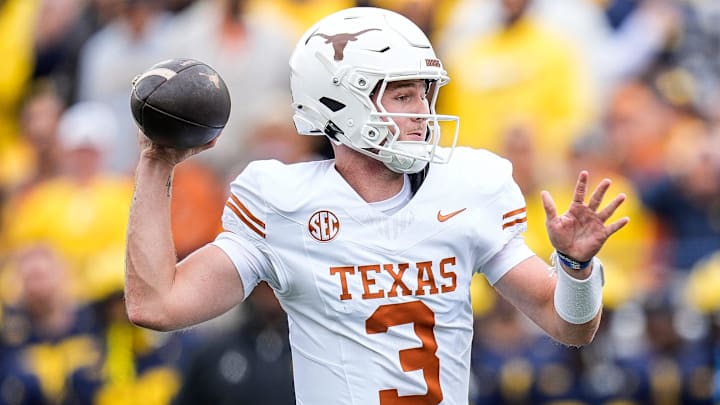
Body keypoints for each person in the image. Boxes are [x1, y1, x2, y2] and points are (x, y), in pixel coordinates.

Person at [125, 7, 629, 405]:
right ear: (340, 102)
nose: (423, 113)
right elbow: (157, 305)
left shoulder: (469, 186)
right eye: (404, 96)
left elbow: (570, 326)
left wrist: (576, 267)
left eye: (425, 94)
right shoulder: (283, 201)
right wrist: (157, 162)